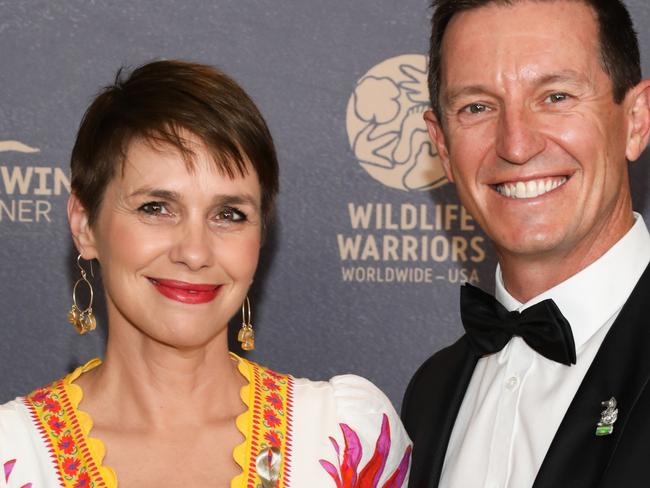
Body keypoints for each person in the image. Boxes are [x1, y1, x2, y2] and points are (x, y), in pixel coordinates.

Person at [0, 60, 411, 487]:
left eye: (229, 214)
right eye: (156, 208)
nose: (195, 252)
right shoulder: (13, 457)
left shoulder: (344, 440)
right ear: (85, 225)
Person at [402, 0, 650, 487]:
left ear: (636, 120)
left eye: (556, 96)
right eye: (477, 107)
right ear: (443, 147)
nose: (516, 145)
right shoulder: (429, 393)